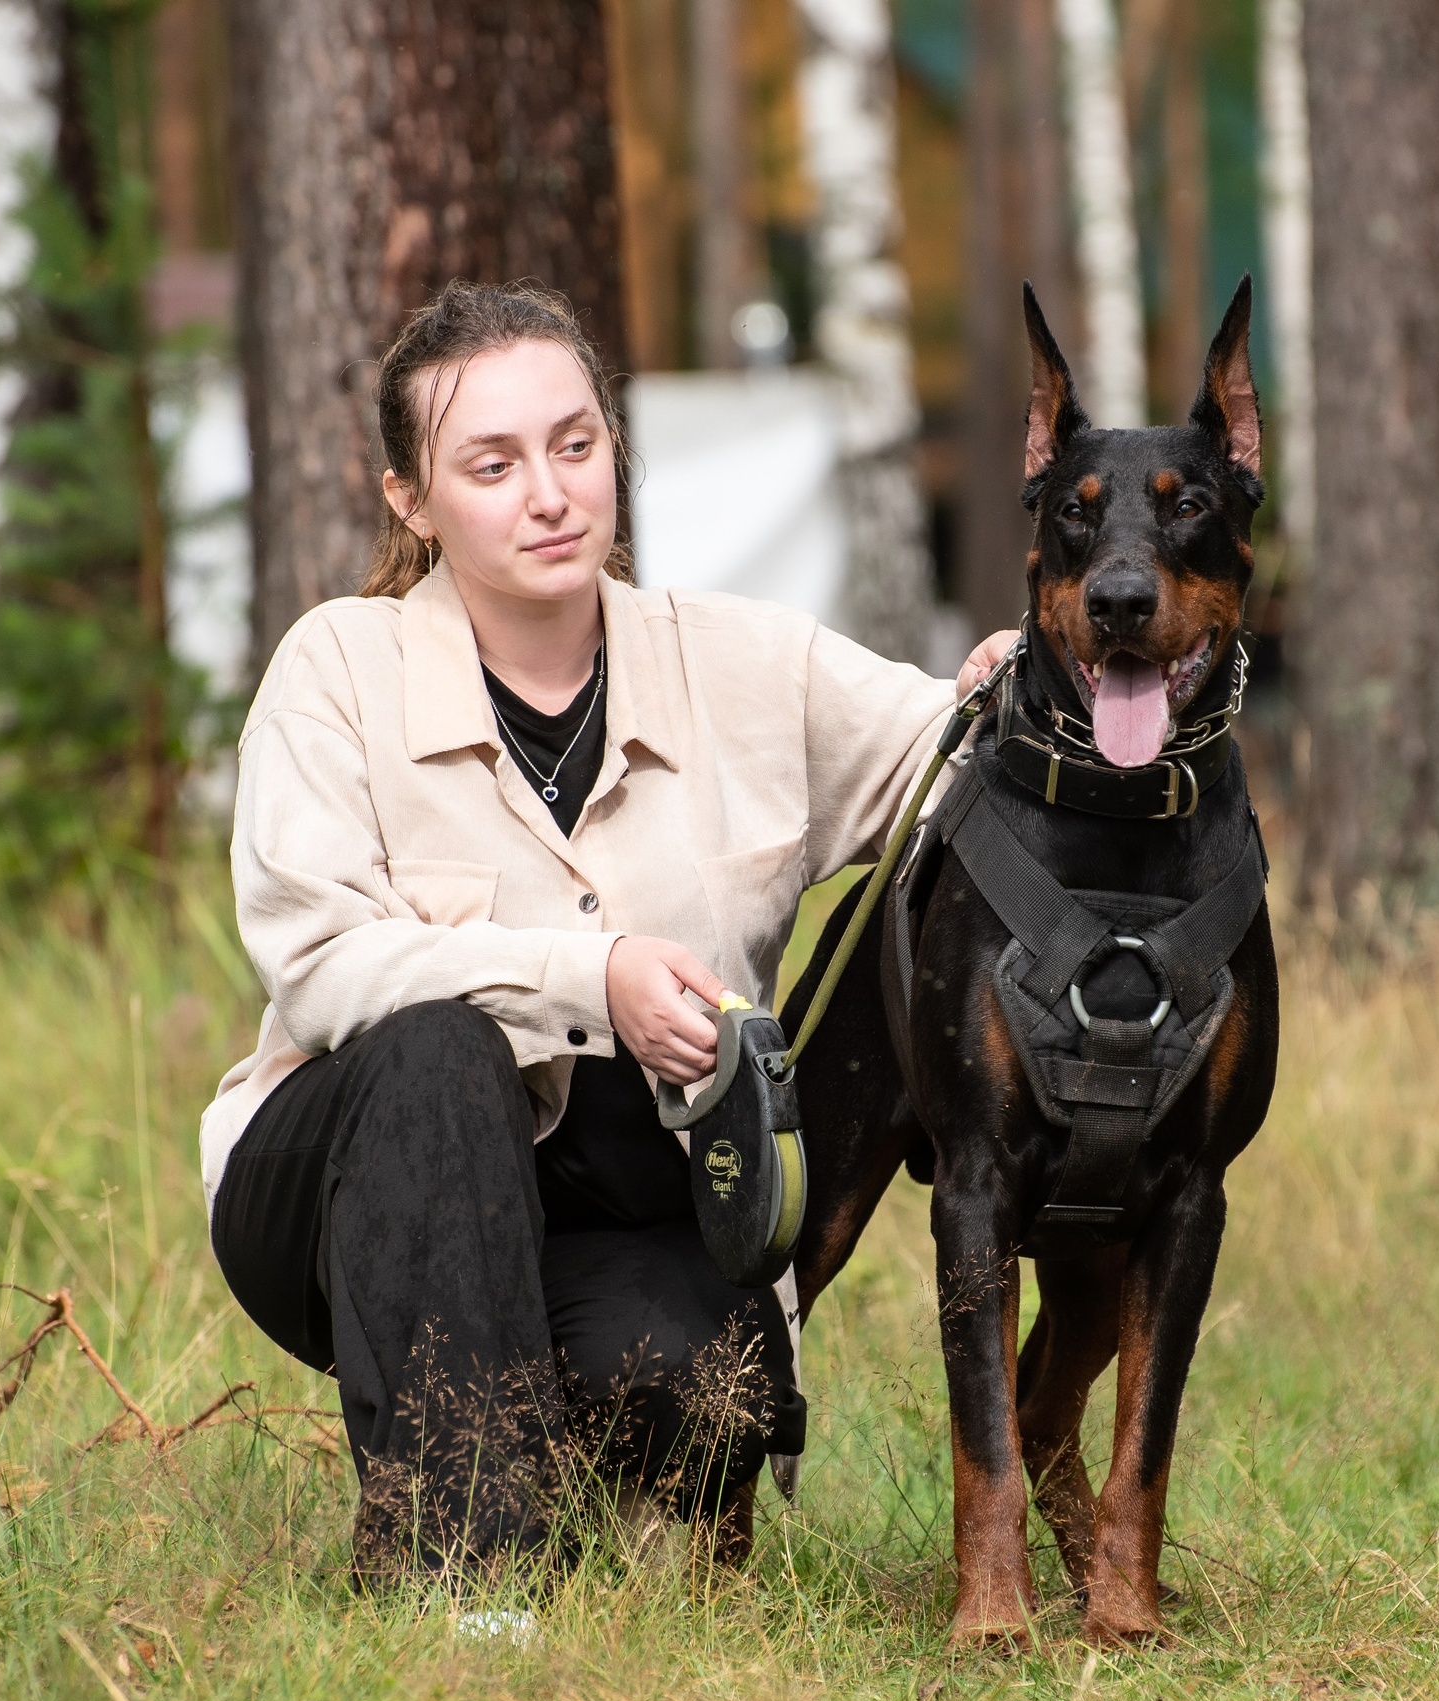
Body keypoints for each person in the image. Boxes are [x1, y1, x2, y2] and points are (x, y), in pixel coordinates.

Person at [201, 279, 1014, 1584]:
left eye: (577, 445)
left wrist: (1021, 683)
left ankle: (542, 1486)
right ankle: (465, 1584)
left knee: (713, 1393)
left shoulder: (749, 665)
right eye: (493, 462)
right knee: (440, 1049)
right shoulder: (336, 668)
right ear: (412, 496)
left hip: (626, 1200)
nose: (551, 493)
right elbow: (322, 962)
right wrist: (591, 975)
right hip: (351, 1177)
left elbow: (956, 760)